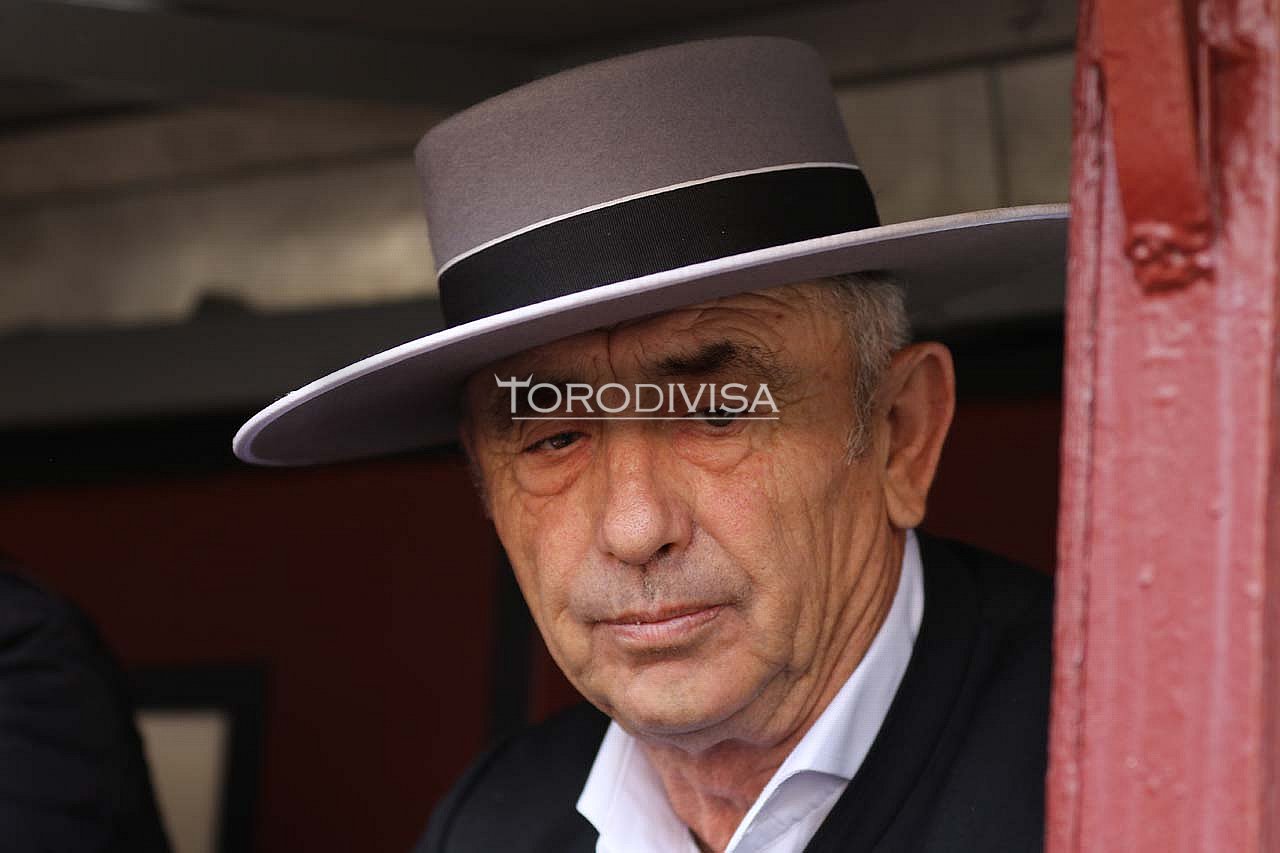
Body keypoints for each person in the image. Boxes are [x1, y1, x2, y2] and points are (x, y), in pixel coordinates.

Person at [234, 37, 1065, 852]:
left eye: (717, 410)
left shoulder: (1108, 762)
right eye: (556, 435)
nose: (634, 527)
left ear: (899, 432)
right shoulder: (492, 824)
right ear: (484, 481)